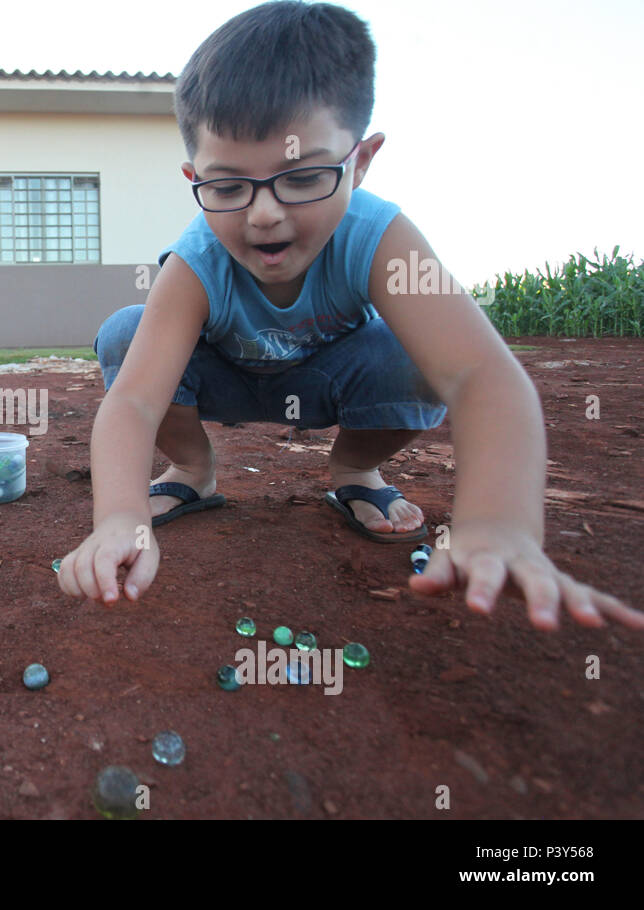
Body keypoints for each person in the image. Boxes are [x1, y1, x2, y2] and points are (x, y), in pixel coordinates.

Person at [58, 0, 641, 630]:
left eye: (302, 176)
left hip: (331, 386)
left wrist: (499, 521)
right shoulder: (197, 258)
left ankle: (356, 468)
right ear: (193, 176)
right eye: (227, 187)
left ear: (360, 163)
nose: (262, 214)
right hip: (227, 379)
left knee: (411, 356)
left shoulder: (379, 237)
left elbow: (481, 375)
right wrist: (119, 517)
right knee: (126, 331)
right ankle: (193, 469)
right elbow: (136, 403)